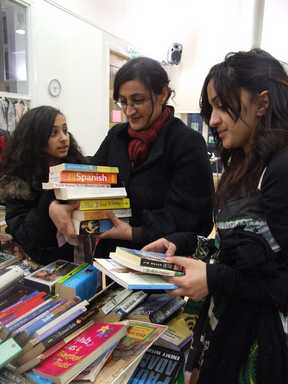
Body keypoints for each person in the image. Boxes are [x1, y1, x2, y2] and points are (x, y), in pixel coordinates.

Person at [143, 49, 288, 384]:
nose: (213, 119)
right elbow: (233, 249)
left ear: (262, 104)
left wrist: (214, 279)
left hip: (260, 345)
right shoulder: (243, 164)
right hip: (225, 327)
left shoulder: (280, 171)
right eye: (212, 108)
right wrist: (181, 243)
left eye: (223, 106)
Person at [49, 57, 214, 257]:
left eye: (138, 100)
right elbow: (91, 177)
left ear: (162, 94)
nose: (129, 111)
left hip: (160, 260)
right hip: (112, 258)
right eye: (123, 102)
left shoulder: (186, 143)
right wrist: (58, 204)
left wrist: (133, 233)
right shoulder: (117, 136)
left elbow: (193, 219)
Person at [0, 106, 85, 264]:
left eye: (65, 131)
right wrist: (50, 199)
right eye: (54, 133)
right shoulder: (18, 182)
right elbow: (27, 235)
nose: (64, 138)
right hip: (44, 264)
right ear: (36, 138)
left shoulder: (77, 167)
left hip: (82, 258)